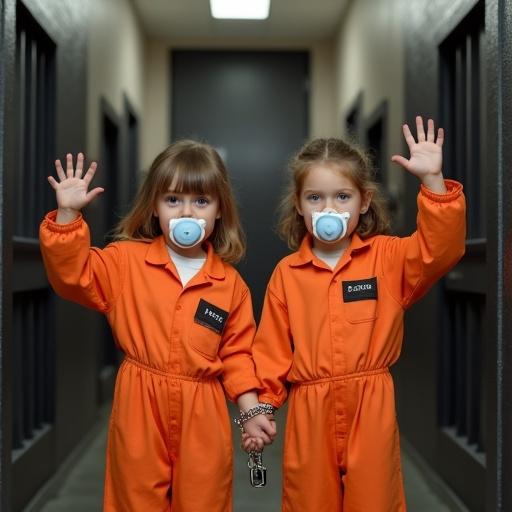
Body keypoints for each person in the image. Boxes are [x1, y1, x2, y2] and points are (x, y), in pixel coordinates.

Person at [39, 140, 276, 511]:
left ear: (219, 211)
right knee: (135, 497)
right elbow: (73, 276)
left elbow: (238, 355)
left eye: (201, 201)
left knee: (205, 498)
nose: (186, 212)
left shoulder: (230, 285)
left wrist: (250, 412)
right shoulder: (124, 262)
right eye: (172, 200)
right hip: (140, 403)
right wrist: (68, 215)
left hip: (204, 410)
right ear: (154, 207)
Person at [249, 117, 466, 511]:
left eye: (342, 197)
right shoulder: (287, 274)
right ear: (298, 204)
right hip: (309, 411)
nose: (328, 208)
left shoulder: (387, 258)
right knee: (308, 501)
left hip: (371, 406)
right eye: (315, 198)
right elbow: (271, 351)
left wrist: (433, 182)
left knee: (374, 501)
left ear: (364, 201)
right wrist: (262, 408)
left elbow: (442, 249)